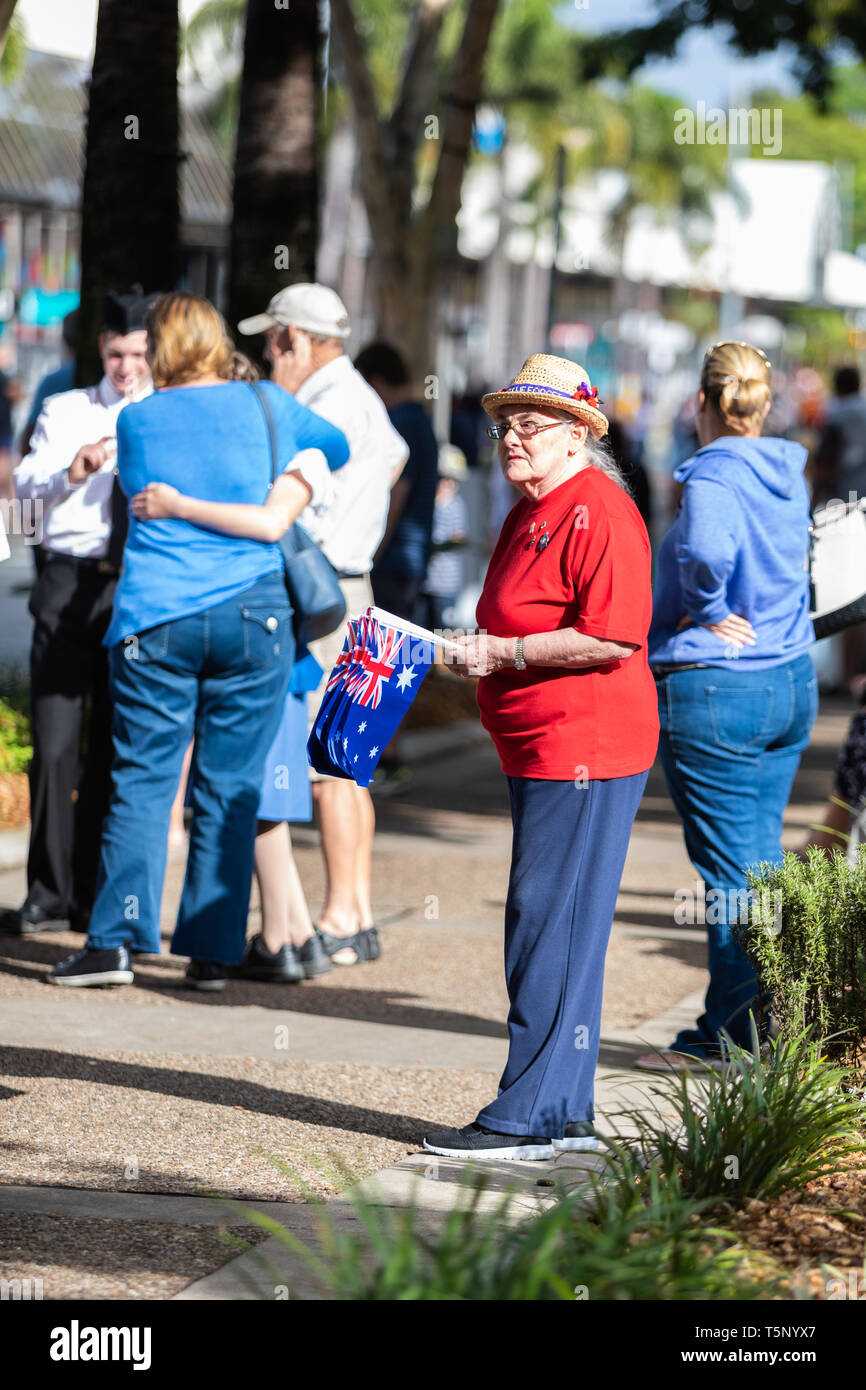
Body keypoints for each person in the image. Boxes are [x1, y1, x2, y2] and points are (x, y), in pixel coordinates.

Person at [49, 291, 349, 989]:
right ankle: (211, 954)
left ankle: (115, 943)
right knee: (230, 784)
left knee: (144, 781)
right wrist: (285, 474)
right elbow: (336, 445)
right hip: (255, 615)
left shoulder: (140, 420)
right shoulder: (268, 404)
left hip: (156, 617)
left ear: (158, 349)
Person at [423, 354, 659, 1160]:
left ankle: (526, 1116)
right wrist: (478, 650)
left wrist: (505, 655)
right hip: (542, 744)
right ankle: (560, 1112)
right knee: (556, 922)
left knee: (545, 923)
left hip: (585, 744)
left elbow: (613, 633)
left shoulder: (598, 507)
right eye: (505, 425)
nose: (511, 439)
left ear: (577, 435)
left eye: (530, 425)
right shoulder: (535, 508)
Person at [129, 349, 340, 984]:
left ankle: (284, 935)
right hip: (274, 632)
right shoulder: (288, 454)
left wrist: (179, 506)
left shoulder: (293, 460)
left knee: (255, 790)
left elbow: (271, 524)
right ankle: (291, 931)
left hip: (267, 632)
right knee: (256, 788)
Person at [639, 340, 817, 1072]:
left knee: (730, 876)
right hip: (789, 678)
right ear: (766, 403)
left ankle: (734, 1038)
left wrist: (706, 609)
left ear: (702, 404)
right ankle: (765, 1025)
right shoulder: (786, 471)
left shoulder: (712, 473)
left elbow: (708, 552)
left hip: (718, 685)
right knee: (761, 865)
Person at [237, 284, 409, 966]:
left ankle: (340, 915)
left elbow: (301, 504)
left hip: (323, 591)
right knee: (348, 763)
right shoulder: (361, 395)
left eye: (274, 339)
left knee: (329, 767)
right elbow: (397, 458)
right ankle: (355, 912)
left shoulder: (326, 403)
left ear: (294, 338)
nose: (269, 352)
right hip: (353, 584)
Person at [0, 289, 154, 938]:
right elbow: (25, 490)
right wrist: (74, 468)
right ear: (100, 349)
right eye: (117, 354)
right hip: (68, 585)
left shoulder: (164, 411)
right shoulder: (65, 409)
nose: (126, 367)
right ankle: (48, 891)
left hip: (135, 587)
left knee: (117, 747)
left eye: (139, 354)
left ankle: (95, 895)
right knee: (57, 743)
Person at [354, 340, 438, 625]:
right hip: (406, 560)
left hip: (393, 560)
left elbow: (394, 496)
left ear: (376, 382)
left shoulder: (402, 424)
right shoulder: (417, 419)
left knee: (385, 658)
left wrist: (370, 556)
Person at [420, 444, 469, 631]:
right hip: (426, 582)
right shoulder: (428, 504)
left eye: (451, 480)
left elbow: (459, 537)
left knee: (444, 634)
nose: (446, 485)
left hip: (446, 584)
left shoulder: (455, 505)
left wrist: (437, 545)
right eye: (442, 479)